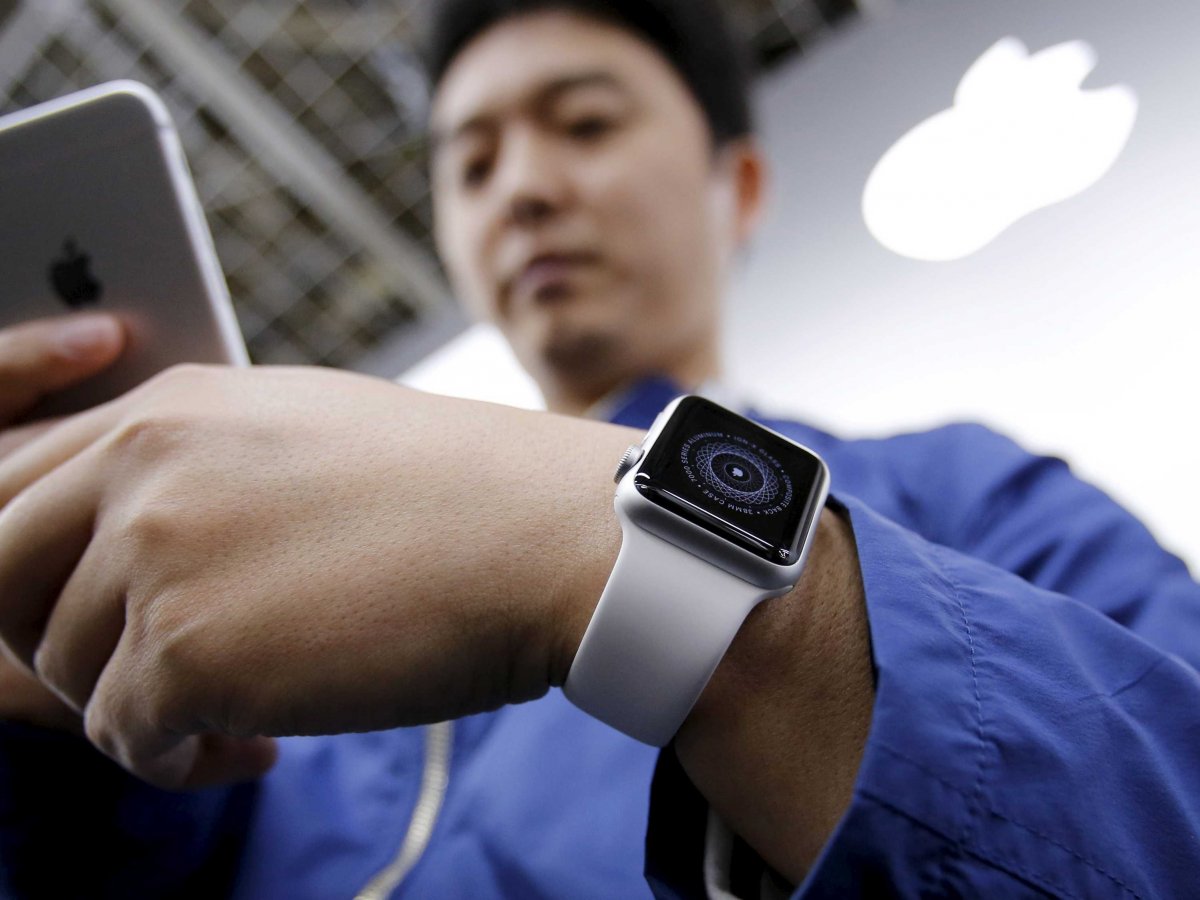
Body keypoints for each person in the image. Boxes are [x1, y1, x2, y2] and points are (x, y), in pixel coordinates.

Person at [1, 0, 1199, 897]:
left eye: (583, 123)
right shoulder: (254, 667)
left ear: (736, 187)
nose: (520, 188)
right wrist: (51, 712)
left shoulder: (971, 495)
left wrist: (613, 561)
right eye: (471, 164)